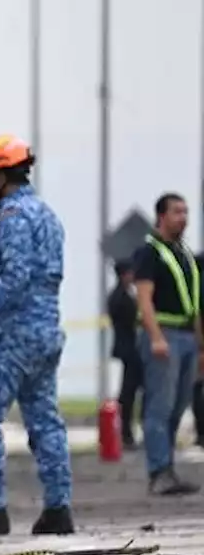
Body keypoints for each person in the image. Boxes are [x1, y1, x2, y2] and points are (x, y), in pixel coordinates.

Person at [0, 134, 75, 537]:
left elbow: (16, 275)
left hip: (15, 335)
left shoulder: (13, 217)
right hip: (47, 332)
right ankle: (58, 508)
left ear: (0, 178)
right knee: (44, 421)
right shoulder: (48, 215)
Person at [131, 193, 203, 495]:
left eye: (185, 212)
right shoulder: (150, 253)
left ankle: (169, 468)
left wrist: (200, 346)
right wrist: (157, 337)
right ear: (161, 216)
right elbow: (144, 300)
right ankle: (158, 471)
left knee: (177, 407)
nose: (183, 218)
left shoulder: (185, 254)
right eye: (177, 212)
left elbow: (195, 304)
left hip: (186, 335)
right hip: (164, 335)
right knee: (159, 406)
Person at [107, 258, 141, 449]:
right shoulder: (121, 297)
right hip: (129, 349)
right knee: (128, 392)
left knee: (130, 391)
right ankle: (125, 433)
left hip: (129, 348)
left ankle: (127, 431)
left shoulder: (124, 295)